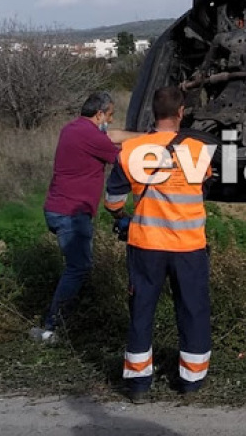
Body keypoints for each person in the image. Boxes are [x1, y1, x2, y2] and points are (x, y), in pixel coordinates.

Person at [104, 86, 215, 403]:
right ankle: (191, 382)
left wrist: (122, 217)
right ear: (181, 112)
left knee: (141, 310)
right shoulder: (198, 150)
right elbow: (204, 185)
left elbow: (112, 200)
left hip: (146, 245)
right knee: (193, 310)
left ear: (153, 112)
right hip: (189, 247)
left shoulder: (131, 150)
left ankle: (139, 384)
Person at [31, 91, 142, 343]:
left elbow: (114, 137)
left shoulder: (74, 129)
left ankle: (65, 321)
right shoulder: (90, 136)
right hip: (71, 214)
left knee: (76, 266)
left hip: (59, 209)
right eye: (110, 115)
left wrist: (146, 136)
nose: (111, 120)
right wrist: (155, 141)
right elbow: (123, 157)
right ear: (99, 114)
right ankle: (53, 327)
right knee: (78, 268)